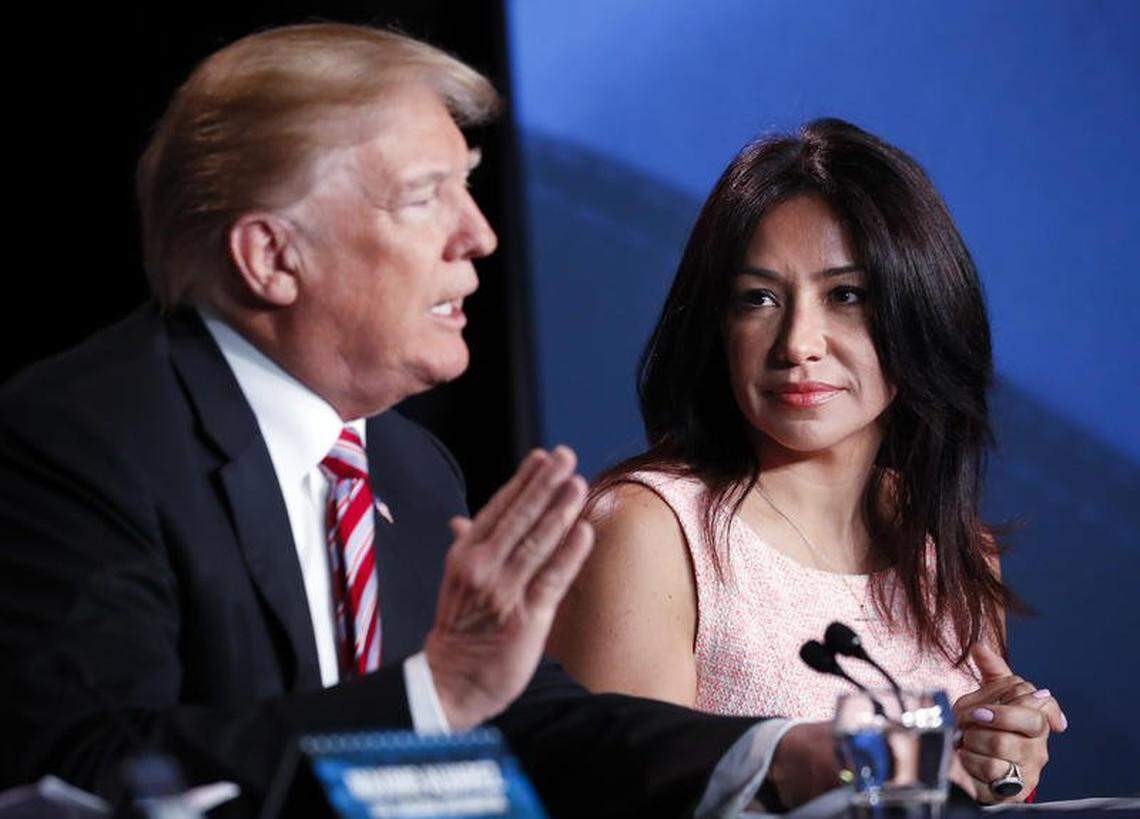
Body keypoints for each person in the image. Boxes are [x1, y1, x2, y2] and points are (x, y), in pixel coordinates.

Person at [0, 24, 843, 818]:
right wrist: (429, 695)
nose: (477, 235)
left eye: (469, 187)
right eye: (424, 195)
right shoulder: (85, 437)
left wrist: (781, 752)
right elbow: (84, 767)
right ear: (270, 256)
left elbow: (524, 718)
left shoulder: (407, 464)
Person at [547, 119, 1067, 803]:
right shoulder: (649, 528)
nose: (798, 342)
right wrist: (890, 762)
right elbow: (614, 802)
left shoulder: (956, 550)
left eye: (845, 296)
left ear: (920, 310)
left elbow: (935, 786)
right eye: (758, 298)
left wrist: (998, 765)